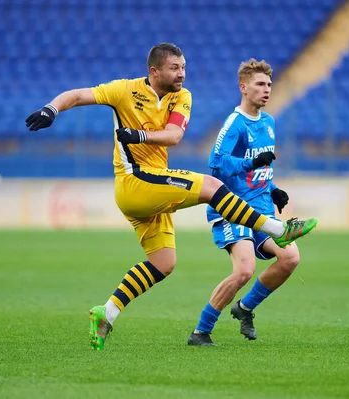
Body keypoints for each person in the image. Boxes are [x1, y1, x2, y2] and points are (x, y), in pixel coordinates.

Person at [25, 43, 318, 351]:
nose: (182, 74)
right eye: (175, 68)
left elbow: (174, 136)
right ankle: (278, 229)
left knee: (164, 263)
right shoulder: (123, 91)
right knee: (210, 186)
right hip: (134, 182)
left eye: (184, 68)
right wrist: (51, 109)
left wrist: (139, 135)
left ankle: (106, 313)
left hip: (153, 187)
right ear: (155, 71)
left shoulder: (182, 96)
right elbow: (77, 95)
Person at [187, 59, 303, 346]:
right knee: (244, 270)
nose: (267, 90)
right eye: (260, 85)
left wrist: (273, 189)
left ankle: (245, 308)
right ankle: (201, 331)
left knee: (290, 258)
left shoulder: (269, 122)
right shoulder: (235, 123)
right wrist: (252, 161)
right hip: (232, 209)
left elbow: (261, 169)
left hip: (261, 207)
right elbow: (216, 164)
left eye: (269, 85)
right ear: (243, 87)